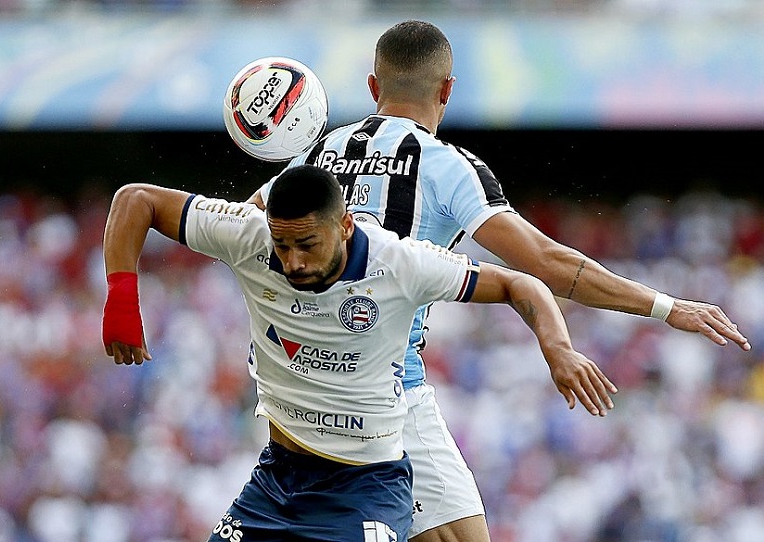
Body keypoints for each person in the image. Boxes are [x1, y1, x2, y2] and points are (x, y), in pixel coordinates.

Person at [247, 20, 752, 542]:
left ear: (373, 87)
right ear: (447, 90)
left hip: (298, 388)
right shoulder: (447, 166)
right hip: (388, 392)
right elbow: (546, 263)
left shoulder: (312, 158)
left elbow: (240, 230)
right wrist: (667, 307)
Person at [102, 165, 616, 542]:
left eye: (307, 244)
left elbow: (519, 284)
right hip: (277, 479)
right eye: (283, 246)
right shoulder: (247, 235)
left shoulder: (401, 263)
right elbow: (136, 199)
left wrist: (558, 347)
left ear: (344, 226)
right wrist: (121, 299)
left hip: (365, 485)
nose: (293, 262)